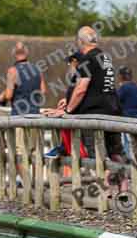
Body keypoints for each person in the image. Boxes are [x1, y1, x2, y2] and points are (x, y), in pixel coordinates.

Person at [54, 25, 127, 196]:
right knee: (116, 152)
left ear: (80, 41)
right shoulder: (105, 57)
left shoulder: (86, 60)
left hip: (95, 112)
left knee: (96, 153)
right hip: (113, 109)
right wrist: (69, 99)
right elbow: (100, 84)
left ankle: (106, 189)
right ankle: (124, 188)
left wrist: (69, 110)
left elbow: (82, 88)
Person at [0, 41, 47, 116]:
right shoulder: (37, 69)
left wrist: (3, 96)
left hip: (19, 116)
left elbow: (9, 95)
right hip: (35, 115)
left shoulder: (12, 71)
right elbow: (43, 91)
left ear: (14, 53)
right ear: (27, 52)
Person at [117, 66, 137, 162]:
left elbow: (116, 102)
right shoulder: (136, 87)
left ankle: (132, 167)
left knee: (128, 145)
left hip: (128, 120)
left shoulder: (124, 87)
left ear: (120, 76)